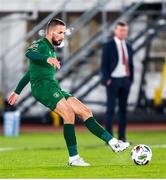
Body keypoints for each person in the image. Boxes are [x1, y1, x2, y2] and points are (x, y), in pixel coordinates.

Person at [8, 18, 130, 167]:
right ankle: (74, 158)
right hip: (43, 88)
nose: (62, 36)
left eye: (63, 33)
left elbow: (30, 73)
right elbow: (29, 54)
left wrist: (17, 91)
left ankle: (113, 142)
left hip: (54, 86)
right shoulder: (40, 44)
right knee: (69, 114)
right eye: (60, 33)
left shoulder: (51, 49)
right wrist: (48, 59)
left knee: (85, 111)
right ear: (50, 32)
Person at [101, 21, 134, 143]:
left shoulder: (129, 46)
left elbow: (131, 65)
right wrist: (107, 79)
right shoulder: (108, 45)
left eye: (125, 30)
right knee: (110, 109)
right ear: (115, 31)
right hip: (113, 81)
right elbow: (104, 64)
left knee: (123, 110)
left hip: (125, 80)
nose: (123, 32)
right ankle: (109, 139)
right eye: (120, 30)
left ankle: (122, 137)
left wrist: (130, 80)